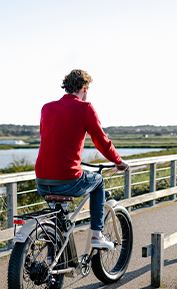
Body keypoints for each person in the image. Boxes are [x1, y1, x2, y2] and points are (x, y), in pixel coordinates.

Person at [35, 70, 129, 249]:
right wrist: (118, 161)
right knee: (98, 182)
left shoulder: (46, 108)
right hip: (68, 179)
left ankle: (54, 256)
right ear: (85, 88)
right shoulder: (86, 108)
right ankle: (97, 235)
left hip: (42, 180)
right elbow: (101, 142)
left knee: (58, 221)